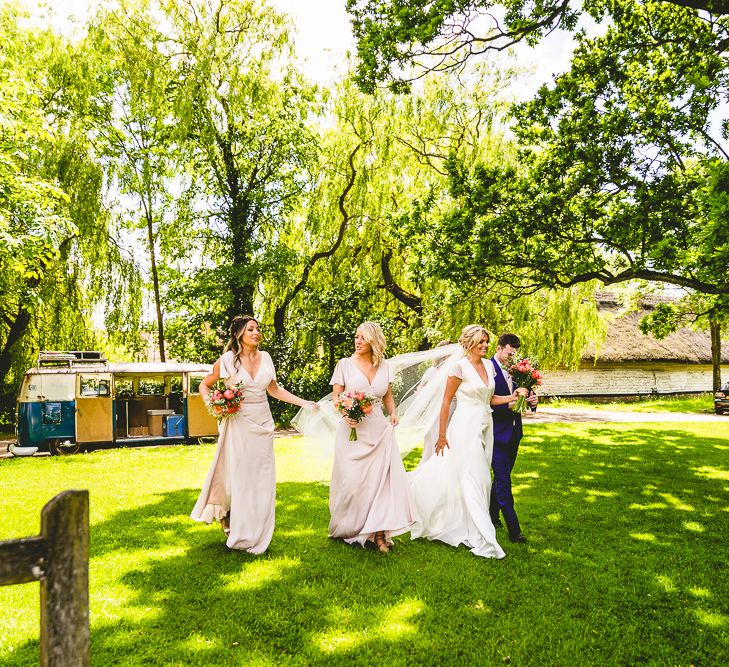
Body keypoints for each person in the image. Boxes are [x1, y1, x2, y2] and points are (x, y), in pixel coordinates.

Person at [190, 315, 318, 553]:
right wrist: (214, 404)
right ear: (239, 334)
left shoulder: (266, 358)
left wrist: (304, 403)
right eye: (251, 329)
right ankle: (233, 522)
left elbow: (275, 390)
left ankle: (258, 529)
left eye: (258, 329)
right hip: (238, 424)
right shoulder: (227, 359)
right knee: (241, 476)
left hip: (263, 424)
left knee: (262, 478)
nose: (256, 333)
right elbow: (204, 385)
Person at [409, 325, 526, 559]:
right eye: (481, 341)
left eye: (486, 341)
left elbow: (491, 398)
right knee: (478, 476)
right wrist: (442, 436)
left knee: (472, 475)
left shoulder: (489, 366)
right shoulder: (458, 367)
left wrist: (513, 397)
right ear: (469, 343)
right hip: (464, 426)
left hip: (486, 426)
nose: (485, 345)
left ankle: (455, 516)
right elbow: (445, 402)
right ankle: (482, 532)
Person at [328, 321, 413, 553]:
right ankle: (352, 527)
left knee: (379, 483)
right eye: (356, 337)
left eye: (363, 338)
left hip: (378, 429)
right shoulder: (344, 365)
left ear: (373, 341)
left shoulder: (385, 366)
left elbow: (386, 395)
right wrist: (346, 414)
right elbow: (337, 398)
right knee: (354, 483)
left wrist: (393, 413)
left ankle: (378, 535)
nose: (358, 341)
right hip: (351, 430)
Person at [489, 333, 538, 544]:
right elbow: (485, 402)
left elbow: (526, 397)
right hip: (495, 432)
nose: (512, 358)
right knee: (504, 481)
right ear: (499, 348)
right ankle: (514, 530)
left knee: (502, 477)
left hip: (514, 432)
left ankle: (491, 515)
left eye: (514, 354)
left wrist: (533, 401)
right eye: (509, 353)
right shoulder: (487, 369)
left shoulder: (518, 371)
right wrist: (506, 405)